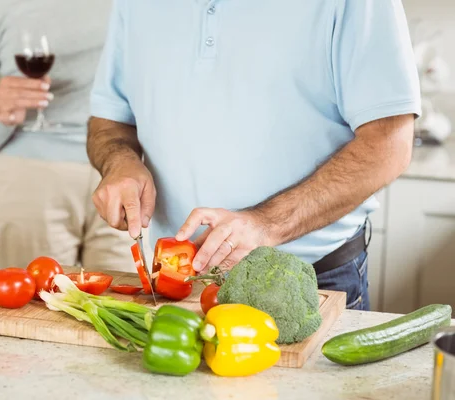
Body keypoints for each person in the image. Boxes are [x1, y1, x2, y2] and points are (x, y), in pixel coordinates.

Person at [87, 0, 421, 310]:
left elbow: (389, 144)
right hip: (176, 286)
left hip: (308, 283)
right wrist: (120, 162)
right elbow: (110, 119)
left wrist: (265, 224)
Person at [0, 0, 134, 271]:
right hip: (31, 180)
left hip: (123, 171)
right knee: (33, 309)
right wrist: (2, 113)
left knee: (126, 308)